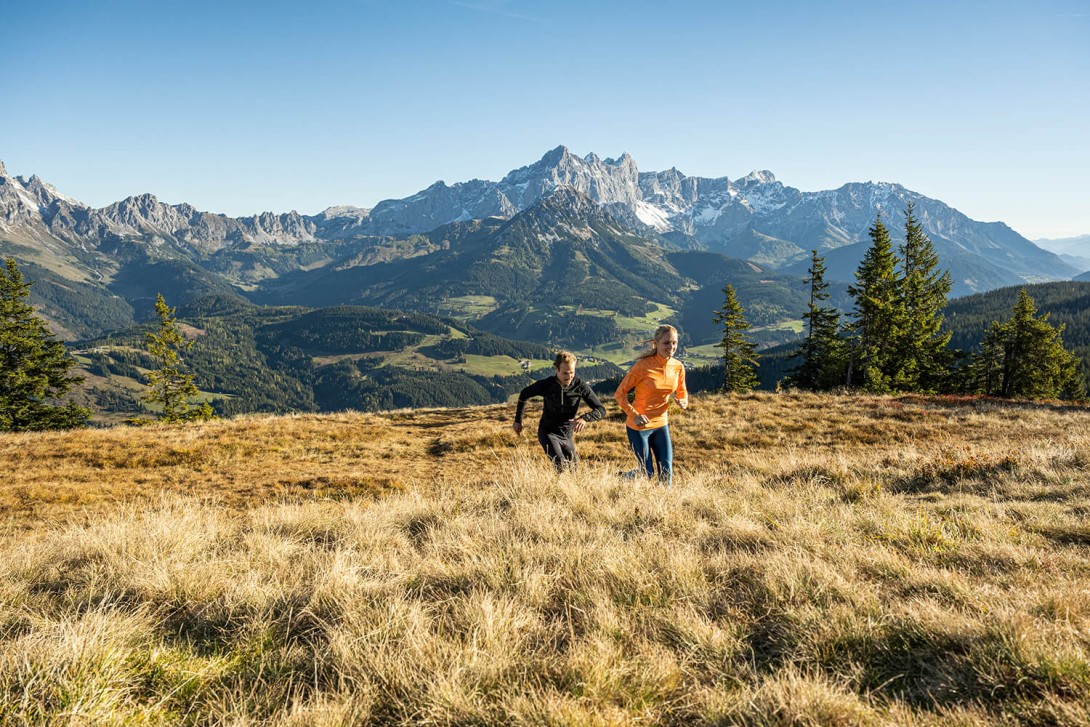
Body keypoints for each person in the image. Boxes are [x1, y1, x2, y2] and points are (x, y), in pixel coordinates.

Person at [614, 324, 688, 487]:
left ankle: (663, 505)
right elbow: (619, 394)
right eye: (666, 343)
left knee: (666, 471)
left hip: (661, 424)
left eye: (674, 343)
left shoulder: (678, 366)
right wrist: (634, 415)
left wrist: (683, 401)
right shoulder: (642, 366)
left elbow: (682, 392)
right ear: (656, 343)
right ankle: (623, 477)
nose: (671, 347)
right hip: (638, 427)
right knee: (646, 473)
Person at [513, 351, 607, 472]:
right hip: (548, 432)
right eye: (565, 373)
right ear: (556, 369)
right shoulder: (547, 384)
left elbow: (601, 410)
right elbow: (524, 394)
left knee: (574, 471)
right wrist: (518, 421)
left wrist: (585, 418)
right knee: (561, 466)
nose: (569, 377)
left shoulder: (579, 386)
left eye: (572, 373)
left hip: (567, 435)